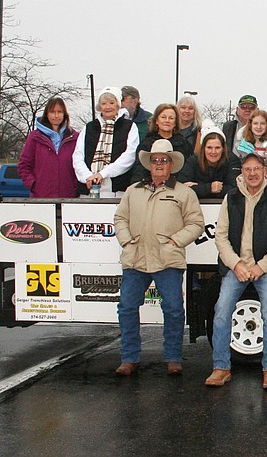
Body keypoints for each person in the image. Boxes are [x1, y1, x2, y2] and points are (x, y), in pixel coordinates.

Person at [113, 139, 205, 376]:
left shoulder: (184, 193)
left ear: (171, 164)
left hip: (168, 260)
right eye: (155, 160)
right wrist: (125, 239)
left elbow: (196, 223)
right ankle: (129, 358)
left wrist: (176, 241)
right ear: (149, 163)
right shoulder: (133, 191)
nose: (159, 164)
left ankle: (173, 358)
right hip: (136, 258)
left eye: (164, 160)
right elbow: (120, 218)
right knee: (127, 308)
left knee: (174, 309)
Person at [205, 153, 267, 390]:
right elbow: (221, 236)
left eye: (257, 168)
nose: (252, 173)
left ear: (265, 170)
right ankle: (221, 367)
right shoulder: (231, 197)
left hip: (266, 267)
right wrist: (236, 264)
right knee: (221, 311)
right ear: (241, 173)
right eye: (247, 169)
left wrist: (262, 266)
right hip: (237, 267)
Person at [73, 87, 139, 198]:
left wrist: (103, 173)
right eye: (104, 103)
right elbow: (78, 155)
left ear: (118, 105)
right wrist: (87, 176)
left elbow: (129, 156)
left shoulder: (129, 126)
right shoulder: (89, 127)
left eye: (111, 103)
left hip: (117, 190)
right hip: (89, 188)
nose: (108, 107)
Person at [18, 97, 79, 198]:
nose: (56, 115)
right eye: (52, 112)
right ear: (47, 114)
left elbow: (80, 164)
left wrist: (75, 186)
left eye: (59, 112)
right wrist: (33, 185)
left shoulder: (75, 137)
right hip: (41, 197)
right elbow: (24, 165)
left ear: (65, 114)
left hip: (69, 197)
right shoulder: (35, 137)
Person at [131, 104, 191, 183]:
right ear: (156, 120)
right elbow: (139, 169)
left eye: (171, 118)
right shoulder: (146, 143)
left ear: (175, 122)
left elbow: (188, 169)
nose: (167, 120)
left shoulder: (184, 144)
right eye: (163, 117)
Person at [177, 131, 241, 200]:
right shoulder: (193, 160)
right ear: (203, 149)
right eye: (209, 147)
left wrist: (197, 188)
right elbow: (182, 188)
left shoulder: (232, 160)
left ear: (223, 149)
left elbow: (235, 189)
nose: (213, 152)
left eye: (217, 148)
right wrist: (209, 188)